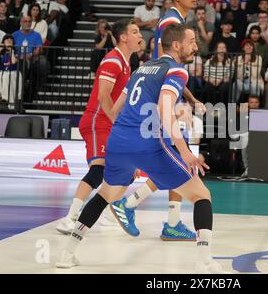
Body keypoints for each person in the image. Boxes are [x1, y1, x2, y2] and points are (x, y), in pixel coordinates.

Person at [56, 23, 226, 273]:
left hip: (118, 141)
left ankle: (66, 253)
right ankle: (205, 262)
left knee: (106, 194)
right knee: (202, 195)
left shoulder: (142, 68)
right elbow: (163, 110)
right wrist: (186, 150)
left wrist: (129, 150)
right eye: (191, 41)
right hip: (147, 144)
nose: (195, 45)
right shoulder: (177, 71)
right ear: (176, 45)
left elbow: (114, 111)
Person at [112, 0, 205, 241]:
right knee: (176, 157)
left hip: (166, 93)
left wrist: (190, 98)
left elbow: (172, 69)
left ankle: (169, 220)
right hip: (160, 97)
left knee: (176, 159)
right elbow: (166, 66)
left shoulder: (176, 20)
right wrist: (183, 101)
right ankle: (131, 205)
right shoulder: (172, 22)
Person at [55, 19, 144, 234]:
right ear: (124, 37)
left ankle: (105, 213)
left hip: (110, 123)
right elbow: (103, 95)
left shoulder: (127, 63)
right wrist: (116, 121)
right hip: (98, 121)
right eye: (135, 31)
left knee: (125, 170)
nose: (140, 35)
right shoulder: (113, 60)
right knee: (97, 172)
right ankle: (69, 219)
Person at [0, 34, 22, 110]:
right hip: (2, 72)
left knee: (6, 76)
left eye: (10, 40)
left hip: (14, 72)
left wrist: (11, 50)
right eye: (7, 39)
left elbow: (14, 61)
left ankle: (6, 99)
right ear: (3, 42)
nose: (9, 41)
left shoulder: (16, 50)